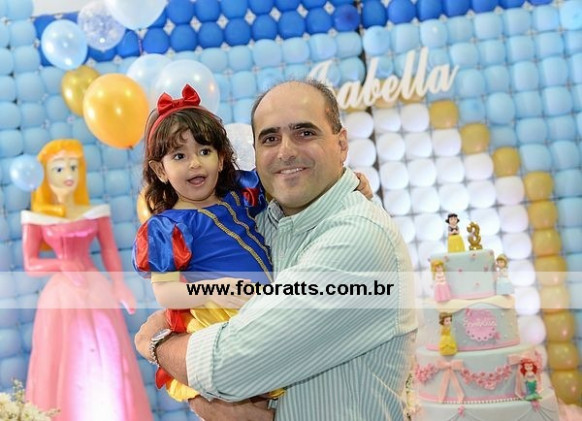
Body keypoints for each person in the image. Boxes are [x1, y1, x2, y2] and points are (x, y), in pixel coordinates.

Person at [135, 80, 417, 421]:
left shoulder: (356, 237)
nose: (285, 152)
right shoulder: (264, 219)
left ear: (341, 144)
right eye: (270, 138)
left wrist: (158, 342)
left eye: (305, 133)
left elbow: (228, 370)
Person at [21, 139, 152, 421]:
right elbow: (30, 263)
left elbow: (108, 250)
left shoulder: (95, 212)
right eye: (59, 168)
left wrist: (119, 284)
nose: (68, 174)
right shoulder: (36, 218)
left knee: (107, 351)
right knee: (63, 355)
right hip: (61, 295)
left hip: (95, 289)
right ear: (45, 174)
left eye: (73, 167)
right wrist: (60, 263)